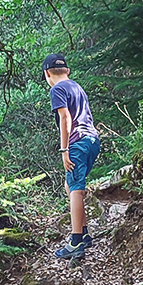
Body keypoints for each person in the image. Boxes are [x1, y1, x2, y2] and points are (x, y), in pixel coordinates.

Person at [42, 53, 101, 259]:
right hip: (92, 140)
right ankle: (84, 234)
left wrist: (64, 149)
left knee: (75, 189)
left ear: (47, 73)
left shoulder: (57, 89)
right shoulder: (77, 87)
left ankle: (75, 241)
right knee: (71, 185)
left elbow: (65, 117)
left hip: (77, 143)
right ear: (67, 70)